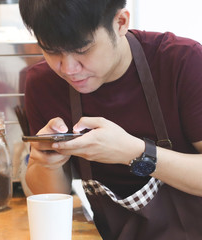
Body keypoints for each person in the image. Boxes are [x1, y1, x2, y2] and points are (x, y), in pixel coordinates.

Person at [18, 0, 202, 239]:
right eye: (52, 51)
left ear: (120, 22)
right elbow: (52, 195)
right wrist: (45, 163)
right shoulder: (43, 83)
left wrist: (135, 153)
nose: (68, 68)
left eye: (82, 50)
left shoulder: (182, 62)